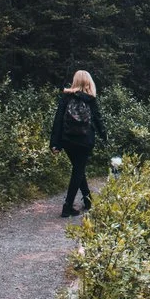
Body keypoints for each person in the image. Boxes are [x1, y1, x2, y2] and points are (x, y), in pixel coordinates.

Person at [50, 70, 107, 217]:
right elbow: (98, 119)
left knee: (78, 169)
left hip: (67, 140)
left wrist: (54, 143)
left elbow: (58, 121)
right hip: (85, 140)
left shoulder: (66, 97)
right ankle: (67, 206)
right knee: (78, 170)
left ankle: (88, 201)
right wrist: (104, 136)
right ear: (88, 82)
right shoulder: (90, 99)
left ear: (75, 81)